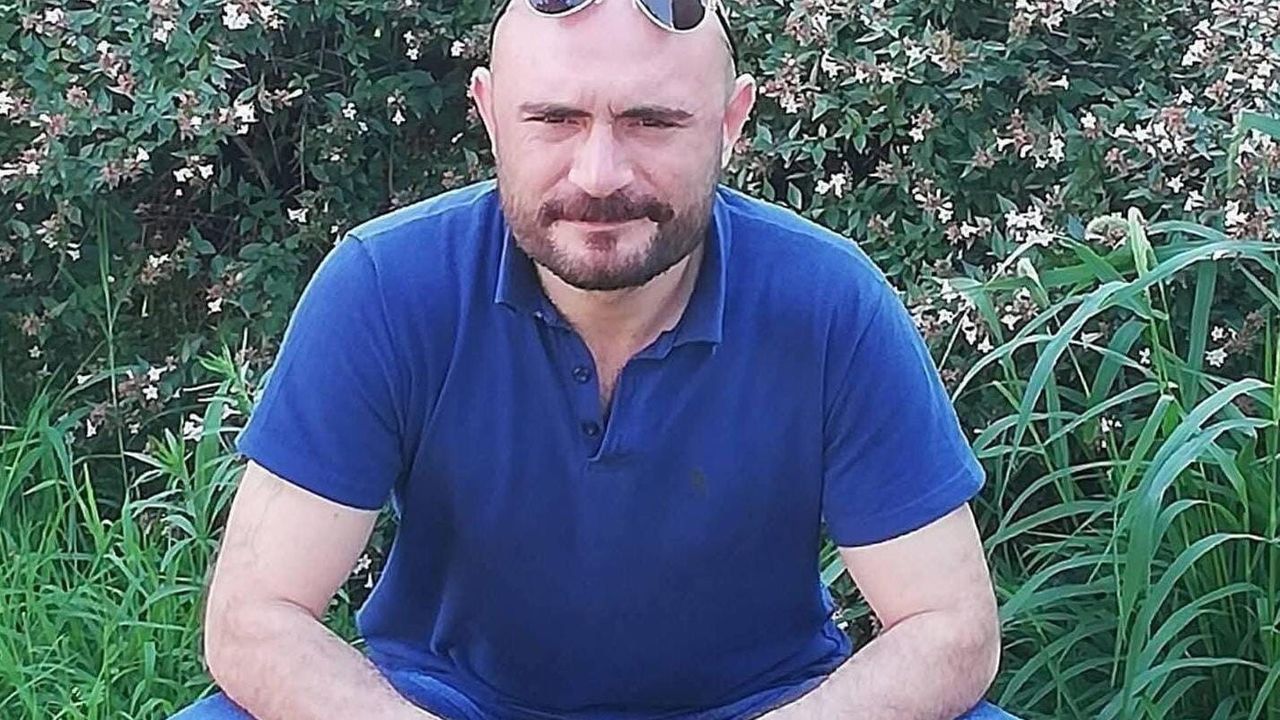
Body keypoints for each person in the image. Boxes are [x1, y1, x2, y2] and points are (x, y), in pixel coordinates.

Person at [172, 0, 1019, 718]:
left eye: (653, 121)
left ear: (730, 123)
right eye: (554, 120)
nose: (600, 173)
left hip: (763, 705)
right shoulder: (385, 287)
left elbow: (950, 627)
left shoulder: (830, 301)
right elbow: (254, 618)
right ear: (489, 114)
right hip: (445, 705)